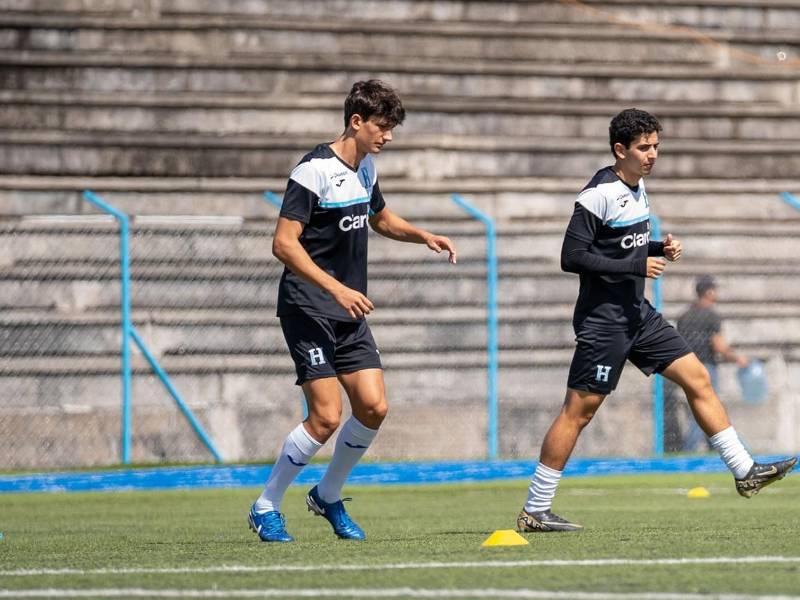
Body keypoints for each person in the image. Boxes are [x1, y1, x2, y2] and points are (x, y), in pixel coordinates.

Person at [516, 108, 797, 533]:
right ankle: (535, 510)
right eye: (644, 148)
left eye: (656, 147)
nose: (652, 155)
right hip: (604, 321)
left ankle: (744, 470)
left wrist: (656, 247)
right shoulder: (599, 193)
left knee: (698, 377)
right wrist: (637, 263)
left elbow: (621, 243)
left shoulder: (638, 185)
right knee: (579, 412)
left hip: (638, 315)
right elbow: (571, 256)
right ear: (619, 150)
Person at [248, 80, 457, 543]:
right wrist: (337, 289)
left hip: (348, 310)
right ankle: (266, 505)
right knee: (325, 416)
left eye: (392, 129)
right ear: (356, 122)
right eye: (382, 127)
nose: (388, 137)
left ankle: (327, 494)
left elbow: (380, 219)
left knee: (374, 407)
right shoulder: (313, 171)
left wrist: (422, 234)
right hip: (309, 307)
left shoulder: (364, 169)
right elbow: (284, 244)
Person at [666, 276, 749, 451]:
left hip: (686, 365)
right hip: (706, 367)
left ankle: (715, 447)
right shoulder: (711, 315)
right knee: (707, 408)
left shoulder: (685, 315)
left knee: (698, 407)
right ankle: (690, 449)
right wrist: (737, 359)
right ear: (709, 291)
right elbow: (718, 345)